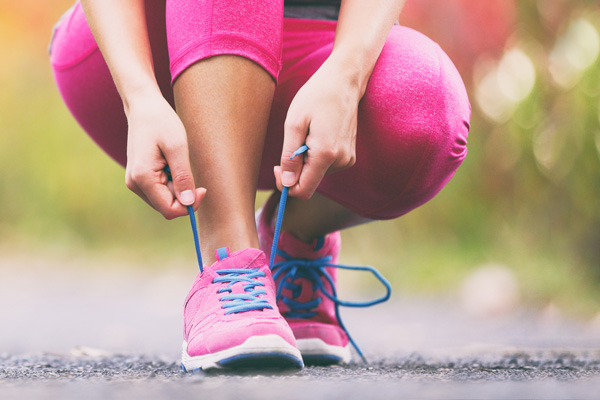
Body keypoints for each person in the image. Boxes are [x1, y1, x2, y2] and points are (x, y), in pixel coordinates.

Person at [49, 0, 471, 371]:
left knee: (429, 108)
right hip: (147, 47)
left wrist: (348, 75)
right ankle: (231, 265)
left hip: (321, 42)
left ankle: (294, 235)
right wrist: (138, 96)